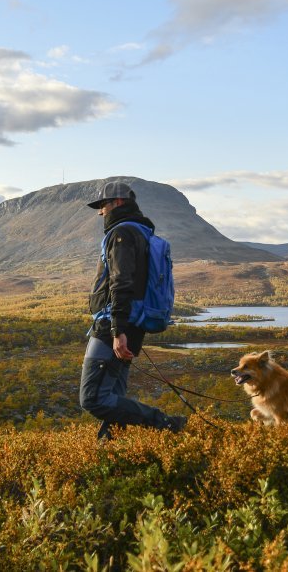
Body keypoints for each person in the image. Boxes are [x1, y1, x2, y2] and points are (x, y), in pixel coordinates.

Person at [79, 180, 187, 440]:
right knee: (113, 397)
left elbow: (121, 282)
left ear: (117, 202)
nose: (100, 212)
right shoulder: (142, 233)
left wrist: (117, 330)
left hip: (114, 327)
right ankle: (111, 454)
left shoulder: (122, 234)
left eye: (103, 205)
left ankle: (166, 424)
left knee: (93, 398)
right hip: (132, 325)